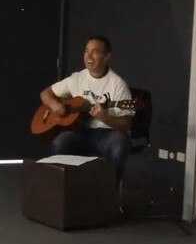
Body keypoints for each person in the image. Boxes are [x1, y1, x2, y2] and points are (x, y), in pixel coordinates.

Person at [39, 35, 133, 181]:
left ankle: (109, 194)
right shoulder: (76, 79)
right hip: (80, 132)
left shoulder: (118, 84)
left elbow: (127, 123)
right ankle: (60, 191)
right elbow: (45, 93)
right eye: (86, 50)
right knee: (61, 141)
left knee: (120, 142)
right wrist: (56, 105)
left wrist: (105, 117)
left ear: (107, 56)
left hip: (107, 135)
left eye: (95, 51)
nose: (88, 55)